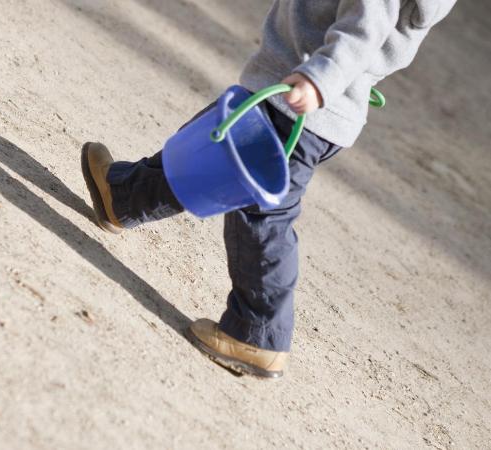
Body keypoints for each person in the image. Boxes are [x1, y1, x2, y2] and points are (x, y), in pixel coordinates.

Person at [80, 0, 455, 378]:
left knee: (262, 213)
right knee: (211, 147)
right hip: (306, 94)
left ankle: (256, 334)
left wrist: (320, 78)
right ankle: (123, 197)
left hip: (303, 101)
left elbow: (365, 27)